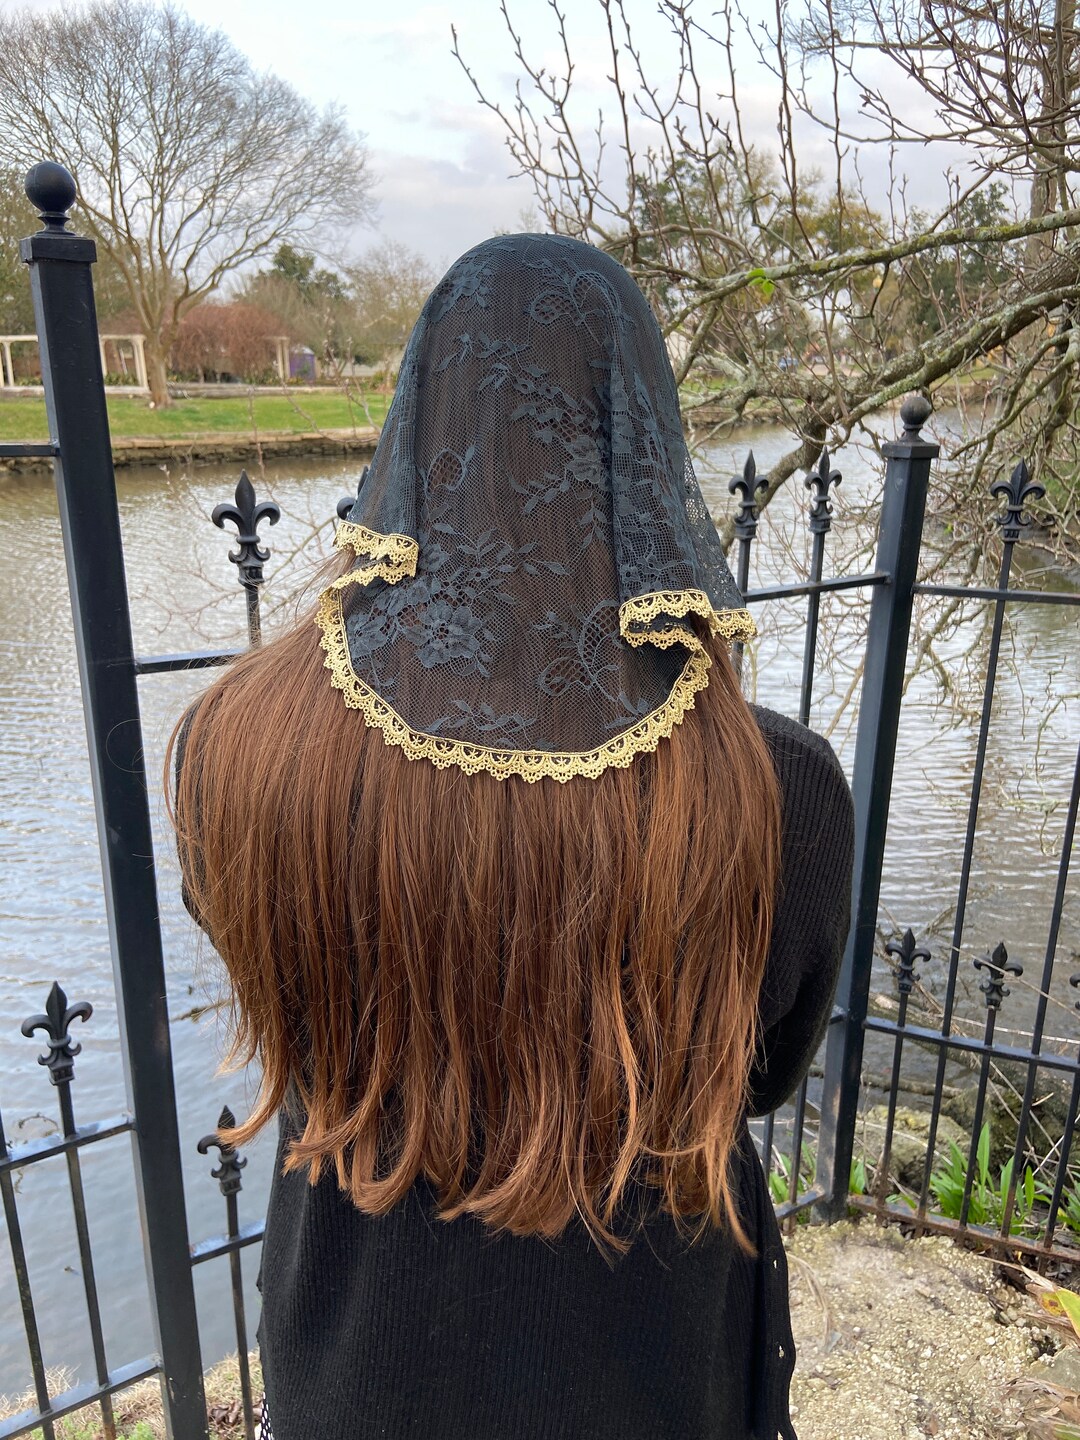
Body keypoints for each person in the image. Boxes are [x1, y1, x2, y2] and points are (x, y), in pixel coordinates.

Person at [169, 232, 855, 1440]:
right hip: (652, 1364)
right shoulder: (776, 787)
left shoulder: (241, 742)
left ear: (418, 409)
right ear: (639, 437)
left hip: (359, 1367)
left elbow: (287, 1001)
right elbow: (761, 1077)